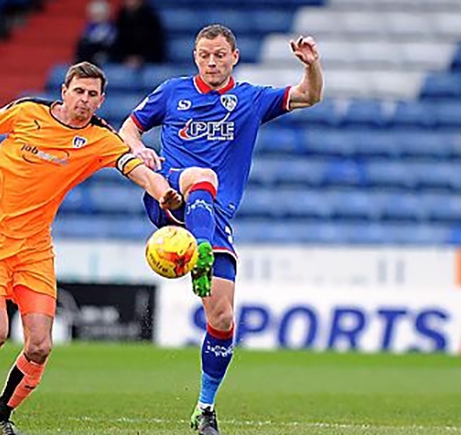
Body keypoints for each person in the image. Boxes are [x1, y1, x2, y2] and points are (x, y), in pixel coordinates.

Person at [0, 61, 182, 435]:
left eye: (91, 95)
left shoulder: (101, 139)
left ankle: (1, 418)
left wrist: (161, 191)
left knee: (39, 346)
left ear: (101, 101)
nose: (83, 100)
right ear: (64, 91)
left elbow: (135, 167)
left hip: (35, 248)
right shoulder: (26, 112)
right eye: (78, 91)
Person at [119, 24, 323, 435]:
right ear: (195, 56)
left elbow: (310, 95)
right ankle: (201, 252)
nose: (211, 62)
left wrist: (312, 66)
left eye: (218, 55)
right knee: (201, 175)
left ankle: (204, 408)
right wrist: (138, 148)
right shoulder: (172, 92)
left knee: (224, 317)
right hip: (170, 196)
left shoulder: (249, 99)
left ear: (234, 57)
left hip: (214, 218)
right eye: (203, 55)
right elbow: (128, 128)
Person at [111, 0, 165, 67]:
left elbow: (156, 44)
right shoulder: (120, 17)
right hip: (124, 60)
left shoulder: (151, 18)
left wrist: (142, 59)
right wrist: (125, 58)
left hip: (149, 60)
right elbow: (118, 42)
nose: (130, 2)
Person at [74, 0, 116, 65]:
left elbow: (108, 46)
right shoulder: (88, 28)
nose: (97, 17)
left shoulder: (111, 28)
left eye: (100, 14)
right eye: (95, 14)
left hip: (104, 59)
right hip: (87, 59)